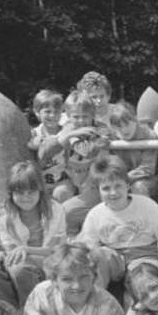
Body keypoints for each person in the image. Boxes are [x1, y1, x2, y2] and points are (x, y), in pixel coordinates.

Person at [0, 161, 67, 308]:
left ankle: (32, 310)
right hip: (17, 262)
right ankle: (10, 312)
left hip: (49, 261)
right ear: (11, 193)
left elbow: (56, 250)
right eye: (20, 192)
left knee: (20, 269)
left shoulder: (55, 210)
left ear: (40, 191)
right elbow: (9, 251)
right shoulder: (4, 215)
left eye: (31, 192)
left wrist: (26, 249)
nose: (26, 197)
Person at [76, 154, 158, 290]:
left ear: (127, 185)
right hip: (114, 257)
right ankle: (97, 296)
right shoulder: (96, 214)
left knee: (143, 278)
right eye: (106, 188)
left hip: (143, 255)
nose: (113, 192)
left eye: (118, 186)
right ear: (98, 190)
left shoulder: (147, 206)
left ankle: (139, 298)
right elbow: (88, 243)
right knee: (96, 256)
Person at [52, 90, 113, 232]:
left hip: (95, 181)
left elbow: (90, 150)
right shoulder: (68, 128)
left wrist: (98, 142)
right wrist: (74, 134)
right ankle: (68, 233)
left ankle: (89, 230)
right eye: (76, 117)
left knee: (67, 210)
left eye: (85, 116)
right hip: (73, 178)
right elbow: (80, 148)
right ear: (68, 116)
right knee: (60, 193)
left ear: (93, 115)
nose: (80, 121)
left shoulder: (101, 128)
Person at [107, 101, 158, 202]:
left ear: (135, 120)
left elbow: (148, 169)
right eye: (119, 126)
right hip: (121, 179)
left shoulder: (149, 135)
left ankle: (144, 212)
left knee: (138, 187)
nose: (124, 130)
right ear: (113, 127)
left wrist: (124, 178)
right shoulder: (110, 137)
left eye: (127, 124)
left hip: (151, 179)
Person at [26, 89, 69, 199]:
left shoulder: (66, 133)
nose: (52, 115)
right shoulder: (34, 134)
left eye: (57, 111)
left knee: (60, 193)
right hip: (42, 182)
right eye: (47, 111)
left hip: (64, 180)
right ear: (37, 112)